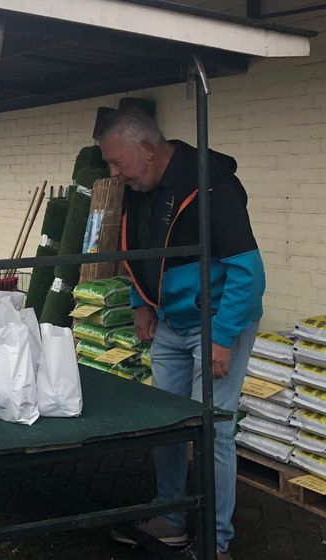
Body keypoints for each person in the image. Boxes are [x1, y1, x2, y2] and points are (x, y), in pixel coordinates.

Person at [97, 110, 265, 560]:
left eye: (117, 162)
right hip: (169, 324)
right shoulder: (139, 189)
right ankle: (171, 518)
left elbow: (249, 273)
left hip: (218, 323)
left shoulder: (214, 187)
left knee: (212, 430)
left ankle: (215, 541)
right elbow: (140, 252)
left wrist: (222, 337)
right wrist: (140, 304)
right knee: (166, 422)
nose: (113, 173)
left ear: (146, 150)